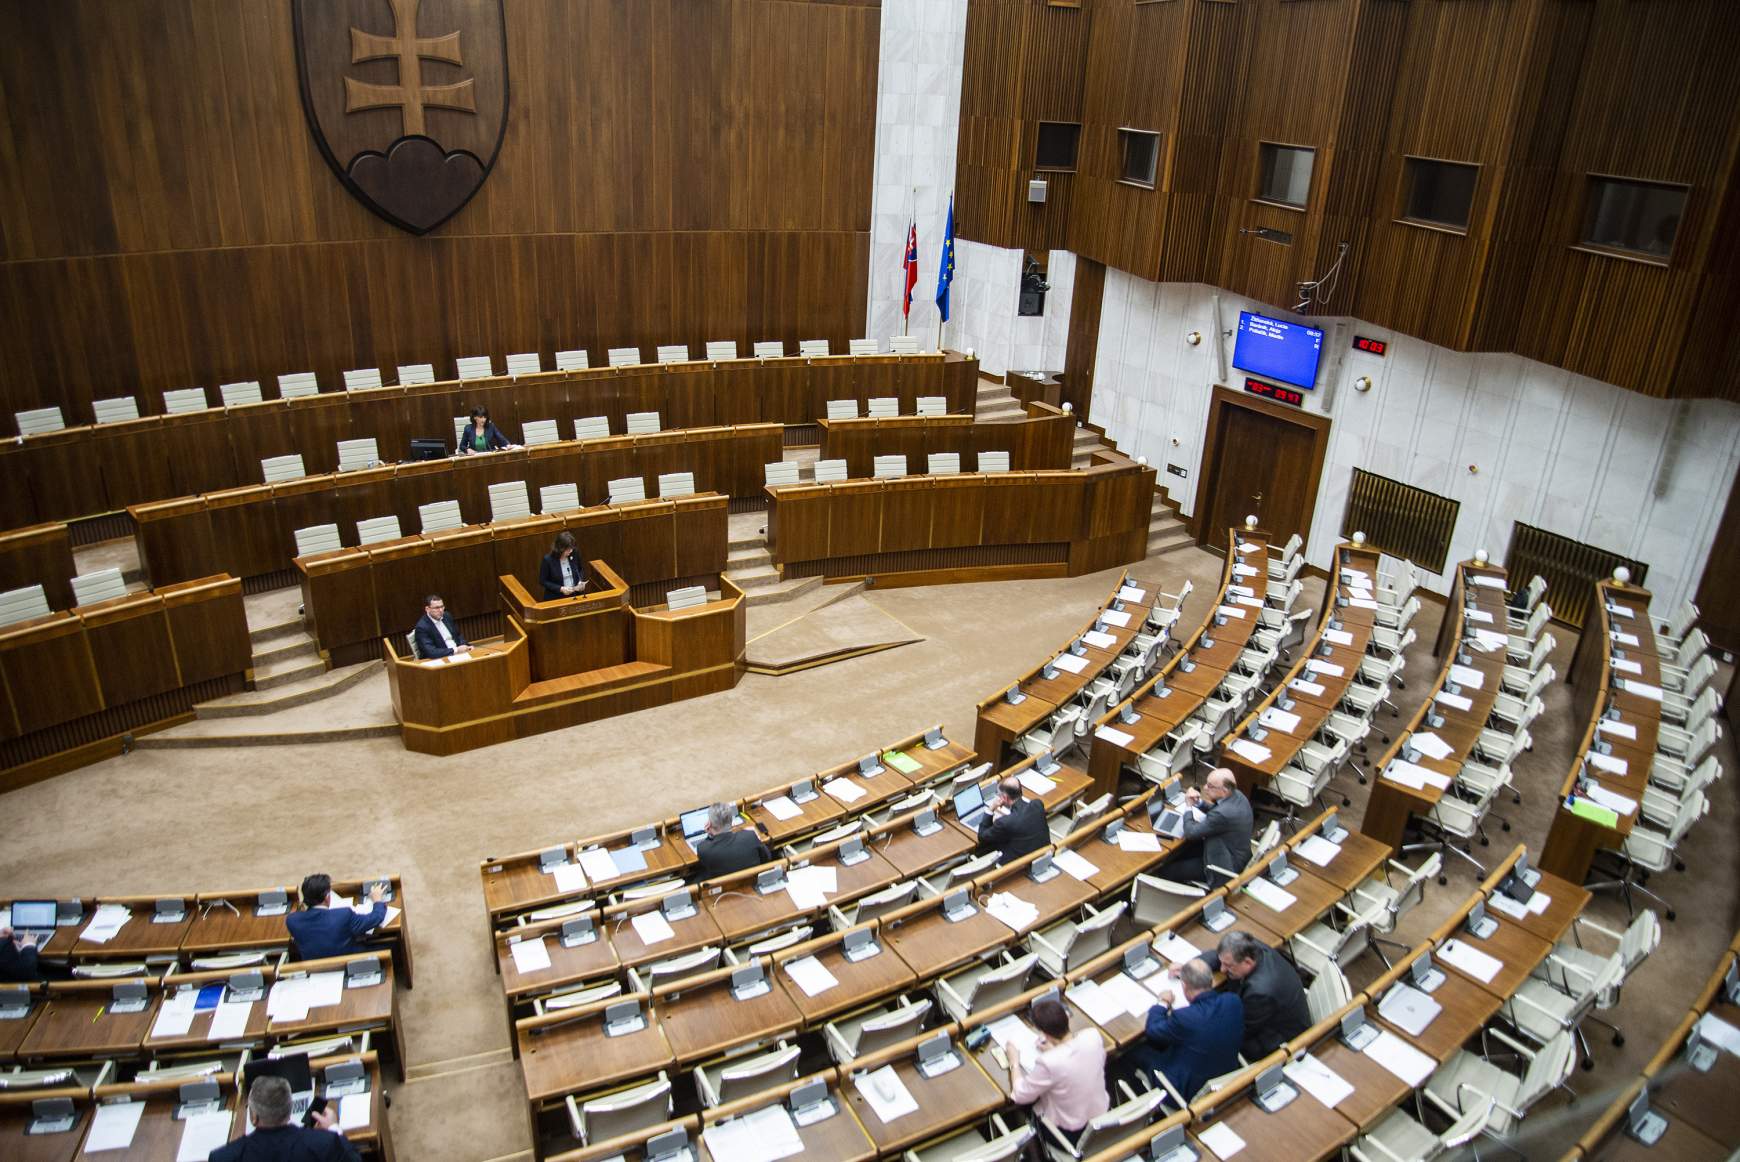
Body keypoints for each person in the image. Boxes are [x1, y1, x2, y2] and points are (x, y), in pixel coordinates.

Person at [1125, 958, 1243, 1104]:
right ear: (1211, 981)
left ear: (1184, 985)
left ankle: (1142, 1107)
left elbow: (1153, 1030)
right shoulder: (1233, 1001)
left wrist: (1162, 1003)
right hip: (1225, 1073)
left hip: (1186, 1090)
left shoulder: (1185, 1018)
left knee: (1131, 1051)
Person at [1192, 930, 1310, 1060]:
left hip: (1276, 1038)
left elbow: (1239, 1030)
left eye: (1228, 966)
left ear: (1247, 962)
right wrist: (1194, 966)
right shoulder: (1249, 947)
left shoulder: (1261, 992)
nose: (1222, 970)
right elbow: (1221, 955)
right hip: (1263, 1015)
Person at [1006, 995, 1108, 1146]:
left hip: (1069, 1134)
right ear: (1067, 1018)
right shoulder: (1092, 1036)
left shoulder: (1049, 1062)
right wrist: (1056, 1047)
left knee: (1019, 1109)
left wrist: (1014, 1061)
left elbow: (1020, 1095)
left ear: (1045, 1034)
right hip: (1102, 1120)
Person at [210, 1074, 360, 1161]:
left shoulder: (223, 1158)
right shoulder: (325, 1143)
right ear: (289, 1111)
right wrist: (334, 1128)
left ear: (254, 1117)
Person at [1158, 768, 1252, 888]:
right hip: (1231, 850)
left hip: (1221, 866)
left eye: (1210, 786)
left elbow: (1191, 833)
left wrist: (1188, 807)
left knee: (1168, 871)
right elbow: (1217, 809)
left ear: (1224, 790)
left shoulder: (1223, 814)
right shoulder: (1238, 796)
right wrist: (1199, 803)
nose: (1205, 788)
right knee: (1180, 852)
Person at [285, 875, 388, 962]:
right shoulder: (343, 915)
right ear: (327, 897)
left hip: (314, 968)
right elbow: (375, 918)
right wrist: (377, 900)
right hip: (349, 962)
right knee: (388, 946)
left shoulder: (292, 921)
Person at [973, 777, 1048, 865]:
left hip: (1018, 866)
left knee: (981, 849)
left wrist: (991, 809)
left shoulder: (1005, 822)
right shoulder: (1037, 805)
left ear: (1004, 797)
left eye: (999, 795)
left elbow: (982, 837)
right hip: (1042, 857)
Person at [694, 802, 773, 879]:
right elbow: (767, 857)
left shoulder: (703, 849)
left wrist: (709, 835)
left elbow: (706, 869)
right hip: (752, 882)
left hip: (725, 889)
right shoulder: (750, 835)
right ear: (731, 821)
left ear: (709, 824)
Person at [412, 594, 471, 660]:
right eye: (437, 608)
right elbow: (431, 652)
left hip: (458, 654)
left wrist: (467, 646)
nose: (440, 610)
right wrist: (455, 650)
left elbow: (458, 635)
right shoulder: (422, 627)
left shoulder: (447, 616)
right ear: (427, 609)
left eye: (442, 607)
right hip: (441, 658)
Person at [539, 531, 586, 600]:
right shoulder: (548, 560)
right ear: (560, 548)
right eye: (568, 549)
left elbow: (580, 569)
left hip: (575, 595)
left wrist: (580, 581)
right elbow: (543, 581)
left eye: (572, 548)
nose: (570, 551)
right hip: (556, 597)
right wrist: (561, 589)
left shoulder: (574, 553)